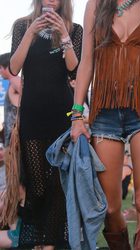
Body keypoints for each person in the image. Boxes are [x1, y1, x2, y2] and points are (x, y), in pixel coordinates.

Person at [71, 0, 140, 248]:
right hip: (105, 108)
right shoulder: (96, 4)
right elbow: (86, 63)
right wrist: (77, 115)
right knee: (110, 207)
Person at [0, 0, 83, 249]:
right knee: (36, 185)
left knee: (58, 183)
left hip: (62, 114)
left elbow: (74, 72)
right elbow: (14, 67)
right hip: (33, 114)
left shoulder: (75, 29)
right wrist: (31, 33)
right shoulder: (22, 26)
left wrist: (64, 35)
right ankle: (34, 239)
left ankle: (51, 244)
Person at [0, 52, 22, 148]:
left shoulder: (15, 80)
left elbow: (30, 100)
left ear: (4, 67)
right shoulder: (13, 82)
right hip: (12, 138)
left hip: (15, 139)